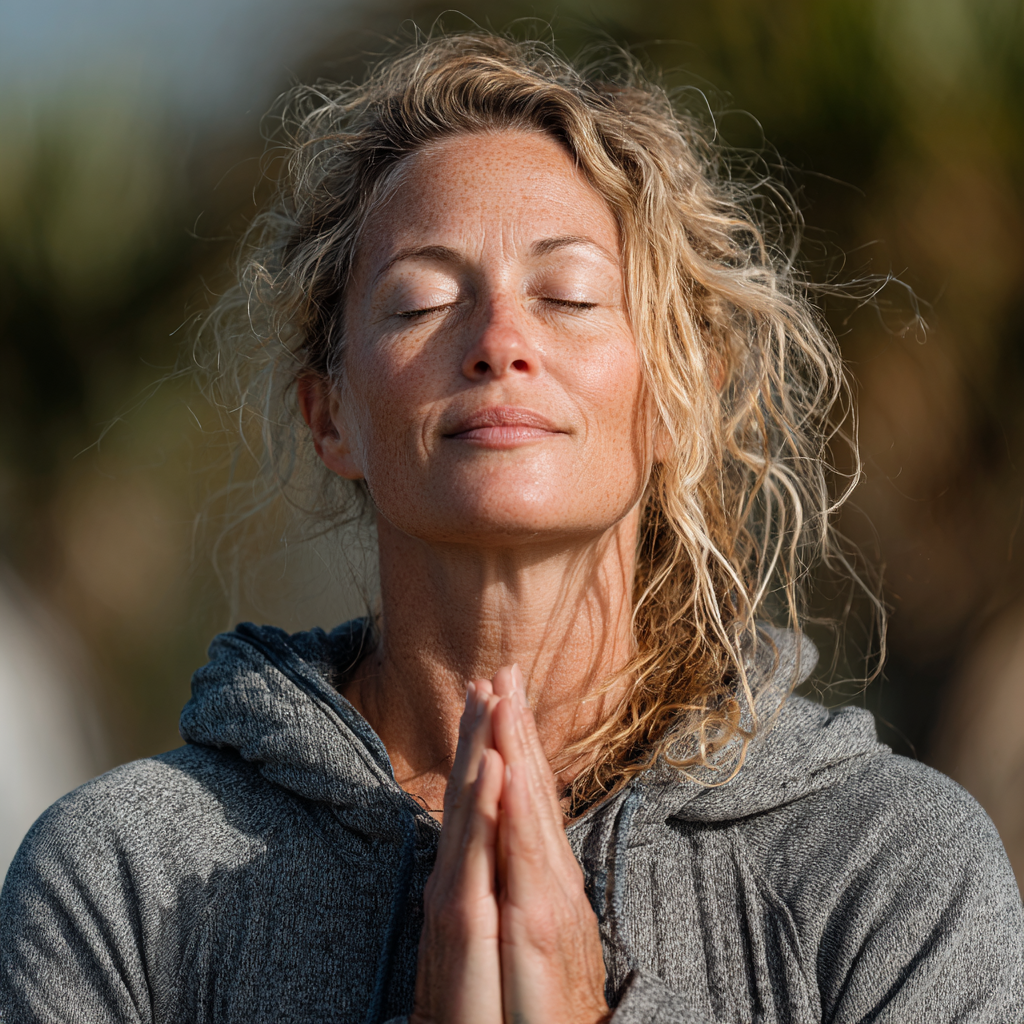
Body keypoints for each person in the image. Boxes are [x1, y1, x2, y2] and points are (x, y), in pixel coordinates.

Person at [1, 31, 1021, 1024]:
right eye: (420, 303)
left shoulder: (888, 865)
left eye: (569, 294)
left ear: (679, 394)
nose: (498, 343)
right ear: (330, 416)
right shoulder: (123, 880)